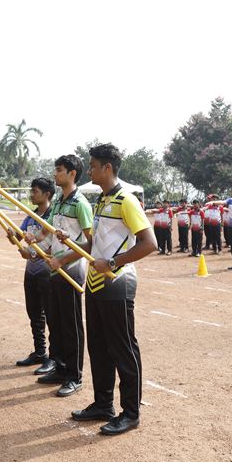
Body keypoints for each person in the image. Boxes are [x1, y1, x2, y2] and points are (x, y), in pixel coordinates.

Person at [60, 143, 157, 436]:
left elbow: (149, 243)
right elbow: (93, 244)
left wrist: (113, 263)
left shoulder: (127, 200)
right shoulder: (101, 201)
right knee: (99, 348)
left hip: (117, 283)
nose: (89, 170)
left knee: (122, 349)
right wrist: (68, 244)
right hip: (94, 282)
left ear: (107, 168)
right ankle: (103, 404)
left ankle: (131, 413)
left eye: (92, 166)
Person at [24, 154, 92, 397]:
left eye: (60, 170)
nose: (55, 174)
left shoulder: (80, 204)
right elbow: (47, 232)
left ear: (72, 173)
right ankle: (61, 368)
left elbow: (90, 242)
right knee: (58, 323)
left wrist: (63, 259)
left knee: (71, 325)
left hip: (71, 270)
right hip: (54, 270)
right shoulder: (60, 204)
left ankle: (75, 376)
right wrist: (34, 239)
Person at [10, 177, 55, 374]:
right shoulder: (31, 215)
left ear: (47, 194)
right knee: (34, 313)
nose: (31, 195)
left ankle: (54, 357)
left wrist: (34, 253)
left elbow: (56, 246)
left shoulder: (53, 216)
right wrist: (12, 234)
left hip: (48, 272)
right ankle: (40, 352)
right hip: (31, 272)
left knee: (51, 316)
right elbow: (19, 237)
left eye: (35, 191)